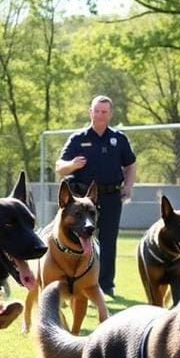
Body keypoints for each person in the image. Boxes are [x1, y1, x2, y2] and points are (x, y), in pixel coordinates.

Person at [55, 95, 136, 298]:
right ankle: (71, 281)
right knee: (75, 240)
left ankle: (105, 285)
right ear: (90, 112)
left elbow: (131, 164)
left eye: (104, 111)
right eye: (97, 111)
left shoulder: (119, 139)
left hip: (110, 197)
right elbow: (59, 168)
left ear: (110, 114)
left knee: (108, 240)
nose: (100, 115)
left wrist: (129, 185)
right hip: (82, 201)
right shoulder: (78, 138)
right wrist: (72, 165)